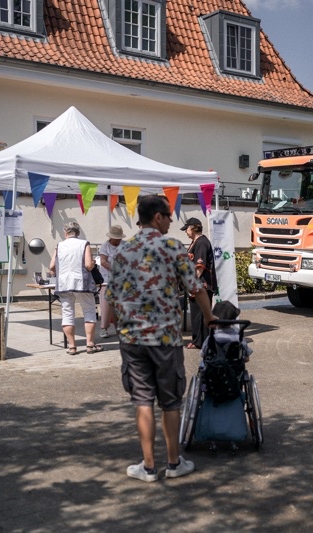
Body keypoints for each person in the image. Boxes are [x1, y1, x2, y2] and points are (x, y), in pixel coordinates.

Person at [106, 195, 216, 483]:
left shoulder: (124, 249)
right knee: (170, 403)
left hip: (132, 341)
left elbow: (111, 298)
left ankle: (149, 467)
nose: (170, 220)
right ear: (157, 217)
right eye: (168, 216)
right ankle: (174, 462)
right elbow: (196, 288)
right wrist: (208, 318)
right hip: (166, 339)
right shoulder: (173, 247)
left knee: (142, 401)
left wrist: (121, 328)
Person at [48, 221, 101, 355]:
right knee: (89, 311)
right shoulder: (84, 244)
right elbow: (88, 265)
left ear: (65, 233)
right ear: (78, 233)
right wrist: (94, 264)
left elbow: (51, 267)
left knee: (67, 314)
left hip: (64, 283)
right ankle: (89, 344)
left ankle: (72, 346)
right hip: (81, 282)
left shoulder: (59, 246)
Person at [181, 217, 217, 349]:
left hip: (202, 284)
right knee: (196, 313)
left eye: (187, 229)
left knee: (201, 313)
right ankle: (197, 340)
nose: (186, 232)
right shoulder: (195, 242)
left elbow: (200, 266)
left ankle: (201, 342)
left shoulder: (201, 242)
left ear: (193, 228)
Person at [98, 225, 126, 338]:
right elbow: (103, 261)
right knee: (106, 304)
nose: (118, 240)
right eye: (116, 238)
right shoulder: (105, 246)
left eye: (119, 238)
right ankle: (103, 328)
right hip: (106, 279)